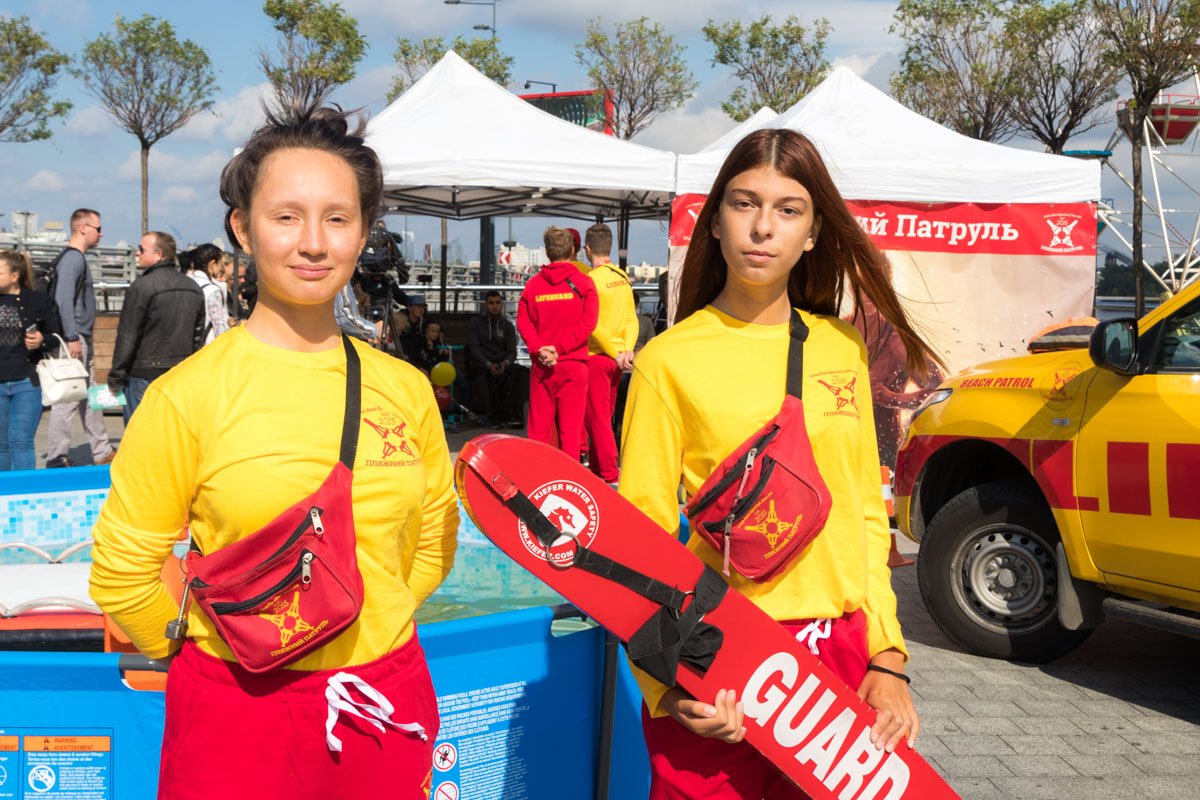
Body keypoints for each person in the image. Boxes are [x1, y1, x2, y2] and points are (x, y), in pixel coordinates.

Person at [88, 105, 458, 800]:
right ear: (243, 228)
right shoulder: (187, 396)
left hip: (383, 696)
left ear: (364, 233)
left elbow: (435, 534)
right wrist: (206, 653)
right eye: (287, 216)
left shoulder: (404, 389)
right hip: (236, 708)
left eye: (338, 218)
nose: (313, 243)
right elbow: (123, 572)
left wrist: (368, 618)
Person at [618, 129, 940, 799]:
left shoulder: (840, 348)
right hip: (719, 652)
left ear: (815, 232)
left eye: (788, 209)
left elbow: (860, 514)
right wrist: (665, 683)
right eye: (743, 204)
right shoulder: (667, 361)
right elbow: (640, 542)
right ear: (715, 221)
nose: (763, 227)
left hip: (839, 656)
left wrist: (887, 657)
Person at [516, 227, 598, 458]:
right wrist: (559, 349)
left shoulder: (532, 286)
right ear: (573, 250)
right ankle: (569, 481)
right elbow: (588, 324)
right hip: (573, 364)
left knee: (539, 431)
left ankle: (539, 477)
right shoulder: (584, 284)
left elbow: (523, 322)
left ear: (546, 251)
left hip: (542, 367)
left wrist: (539, 348)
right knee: (571, 431)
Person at [107, 231, 206, 422]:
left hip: (143, 373)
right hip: (179, 373)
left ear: (159, 254)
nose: (137, 253)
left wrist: (116, 376)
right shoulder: (192, 287)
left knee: (139, 436)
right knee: (171, 432)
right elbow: (198, 335)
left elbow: (128, 335)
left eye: (142, 249)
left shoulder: (142, 287)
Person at [44, 208, 117, 468]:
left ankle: (101, 450)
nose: (101, 232)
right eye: (98, 228)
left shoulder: (76, 258)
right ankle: (56, 455)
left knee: (89, 395)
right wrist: (72, 336)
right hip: (73, 339)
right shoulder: (73, 259)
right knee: (68, 397)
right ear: (82, 228)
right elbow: (63, 298)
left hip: (80, 336)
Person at [582, 223, 638, 483]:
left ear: (587, 249)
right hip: (617, 359)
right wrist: (626, 350)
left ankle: (609, 473)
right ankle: (599, 470)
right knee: (605, 414)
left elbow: (591, 325)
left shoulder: (590, 281)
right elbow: (631, 318)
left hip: (597, 356)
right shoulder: (622, 278)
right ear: (610, 248)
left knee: (598, 418)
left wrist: (614, 351)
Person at [0, 251, 54, 471]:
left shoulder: (38, 299)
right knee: (1, 445)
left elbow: (55, 335)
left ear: (14, 276)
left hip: (27, 382)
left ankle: (23, 496)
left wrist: (42, 340)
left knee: (21, 442)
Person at [467, 290, 522, 429]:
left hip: (502, 363)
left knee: (522, 374)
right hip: (482, 363)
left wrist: (505, 363)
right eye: (491, 303)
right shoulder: (475, 323)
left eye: (497, 303)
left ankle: (514, 415)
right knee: (486, 375)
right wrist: (488, 364)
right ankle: (494, 415)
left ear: (502, 304)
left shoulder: (508, 325)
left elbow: (512, 351)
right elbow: (474, 348)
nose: (495, 306)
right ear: (485, 305)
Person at [187, 243, 231, 344]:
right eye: (220, 263)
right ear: (212, 264)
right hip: (206, 345)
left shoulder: (186, 283)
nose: (222, 268)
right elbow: (219, 327)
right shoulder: (212, 290)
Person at [396, 293, 428, 362]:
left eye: (423, 307)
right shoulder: (401, 323)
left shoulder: (422, 324)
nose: (421, 309)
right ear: (409, 307)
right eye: (418, 306)